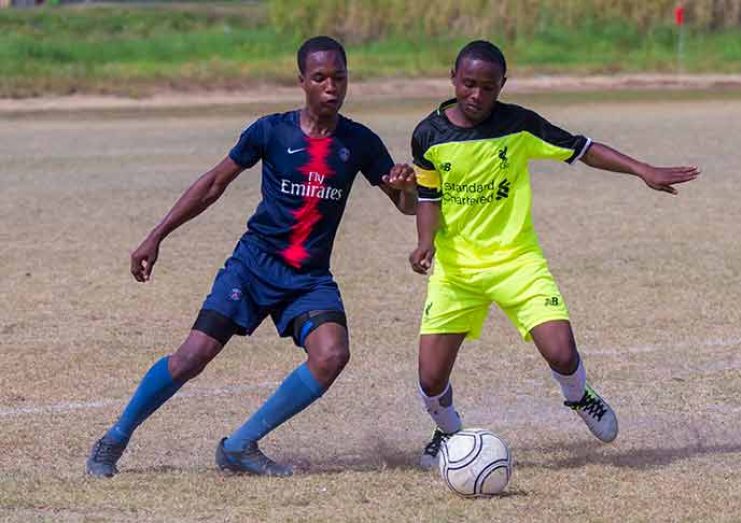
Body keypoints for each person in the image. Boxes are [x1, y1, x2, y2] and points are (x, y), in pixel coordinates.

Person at [86, 36, 417, 478]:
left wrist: (406, 185)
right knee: (192, 357)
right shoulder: (270, 131)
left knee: (331, 354)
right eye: (320, 78)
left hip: (308, 278)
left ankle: (240, 445)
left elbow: (406, 205)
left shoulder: (359, 142)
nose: (331, 87)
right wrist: (157, 235)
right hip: (254, 265)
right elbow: (212, 184)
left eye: (339, 77)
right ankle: (115, 438)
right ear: (302, 81)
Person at [409, 40, 700, 468]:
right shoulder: (427, 135)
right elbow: (429, 196)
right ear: (453, 78)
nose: (476, 95)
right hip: (456, 272)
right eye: (468, 84)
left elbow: (583, 148)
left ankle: (579, 396)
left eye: (487, 87)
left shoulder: (519, 124)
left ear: (502, 85)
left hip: (517, 263)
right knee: (430, 379)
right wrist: (425, 242)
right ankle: (448, 432)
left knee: (562, 352)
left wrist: (642, 170)